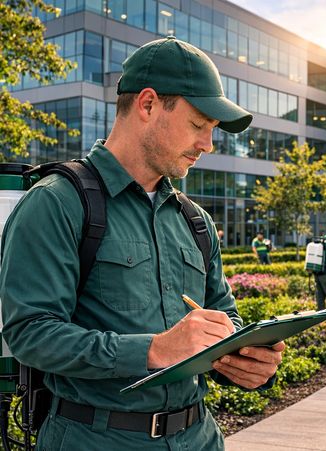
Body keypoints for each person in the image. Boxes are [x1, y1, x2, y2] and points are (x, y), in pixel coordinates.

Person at [0, 36, 284, 450]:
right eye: (198, 125)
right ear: (148, 105)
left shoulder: (196, 221)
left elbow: (224, 316)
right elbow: (31, 333)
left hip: (200, 438)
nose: (207, 144)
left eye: (212, 131)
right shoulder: (57, 202)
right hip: (93, 440)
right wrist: (153, 350)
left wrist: (245, 360)